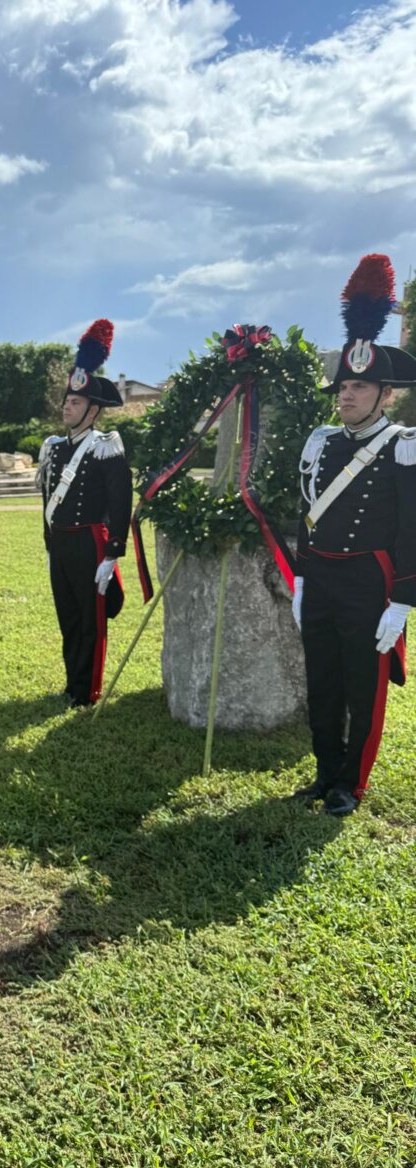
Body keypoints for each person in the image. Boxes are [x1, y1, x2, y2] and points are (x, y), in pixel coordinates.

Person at [292, 254, 416, 816]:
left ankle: (350, 782)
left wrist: (404, 600)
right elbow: (305, 512)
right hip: (319, 574)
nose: (346, 394)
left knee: (362, 685)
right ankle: (323, 771)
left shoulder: (402, 445)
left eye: (360, 386)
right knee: (322, 679)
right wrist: (299, 574)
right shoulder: (321, 441)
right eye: (343, 385)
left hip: (369, 579)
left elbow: (413, 524)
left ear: (385, 393)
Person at [38, 320, 133, 707]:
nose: (66, 406)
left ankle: (87, 690)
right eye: (66, 401)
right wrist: (48, 543)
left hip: (91, 543)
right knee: (68, 617)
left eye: (75, 403)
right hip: (60, 543)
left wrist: (112, 553)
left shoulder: (106, 446)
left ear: (93, 411)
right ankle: (70, 681)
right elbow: (44, 499)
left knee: (91, 621)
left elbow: (121, 501)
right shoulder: (54, 447)